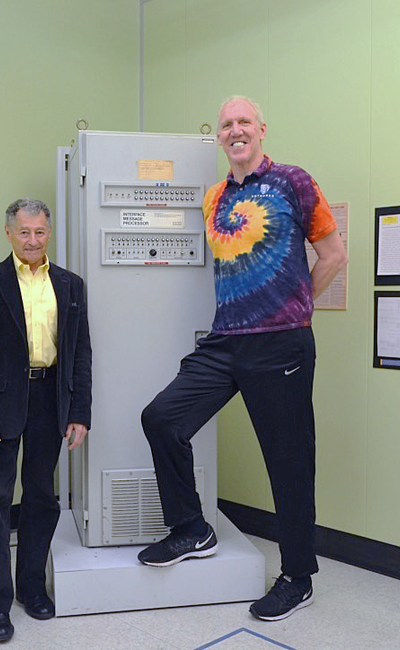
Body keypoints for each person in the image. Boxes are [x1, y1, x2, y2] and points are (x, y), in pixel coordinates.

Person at [137, 96, 348, 622]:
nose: (236, 131)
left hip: (282, 344)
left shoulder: (296, 182)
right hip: (225, 340)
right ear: (220, 137)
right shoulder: (213, 197)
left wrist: (296, 308)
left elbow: (334, 255)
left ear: (261, 131)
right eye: (227, 124)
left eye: (244, 123)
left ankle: (297, 577)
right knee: (161, 418)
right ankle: (192, 528)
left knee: (288, 463)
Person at [0, 198, 92, 643]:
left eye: (40, 232)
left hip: (50, 400)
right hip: (0, 405)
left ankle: (31, 589)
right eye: (24, 232)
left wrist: (79, 412)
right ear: (8, 233)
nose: (32, 241)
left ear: (48, 233)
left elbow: (81, 355)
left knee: (41, 498)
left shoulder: (71, 286)